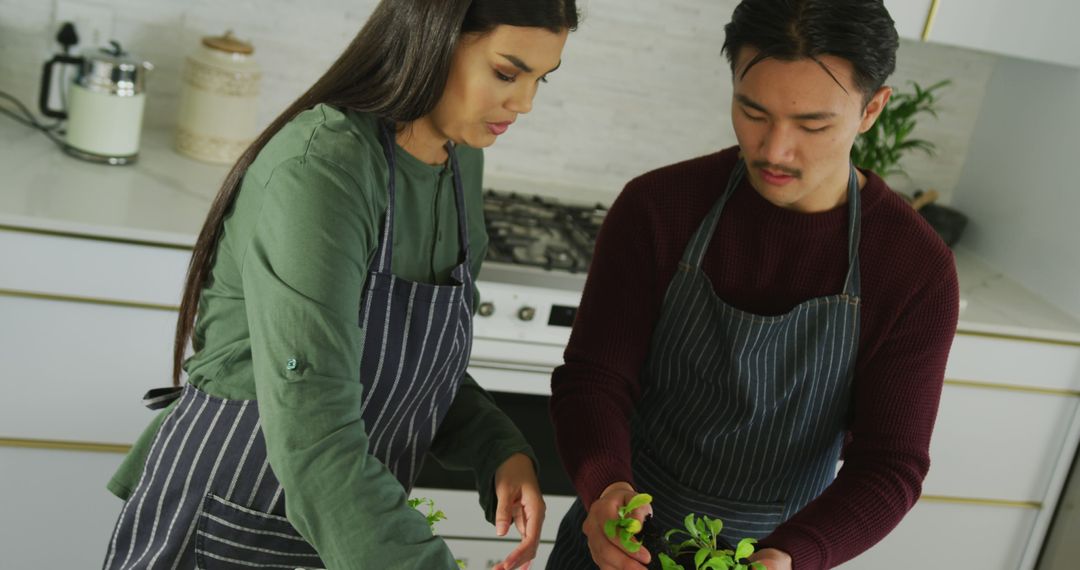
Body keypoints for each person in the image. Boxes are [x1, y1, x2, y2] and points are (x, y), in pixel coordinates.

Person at [101, 1, 577, 568]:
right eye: (506, 72)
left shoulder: (458, 158)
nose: (524, 104)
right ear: (433, 39)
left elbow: (411, 363)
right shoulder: (324, 166)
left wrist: (497, 447)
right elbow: (315, 433)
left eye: (539, 80)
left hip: (350, 521)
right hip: (239, 507)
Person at [546, 1, 959, 569]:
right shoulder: (659, 208)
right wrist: (604, 489)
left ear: (872, 110)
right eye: (752, 110)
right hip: (614, 539)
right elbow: (594, 378)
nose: (774, 150)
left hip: (778, 550)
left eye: (813, 124)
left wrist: (793, 555)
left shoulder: (912, 266)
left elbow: (891, 464)